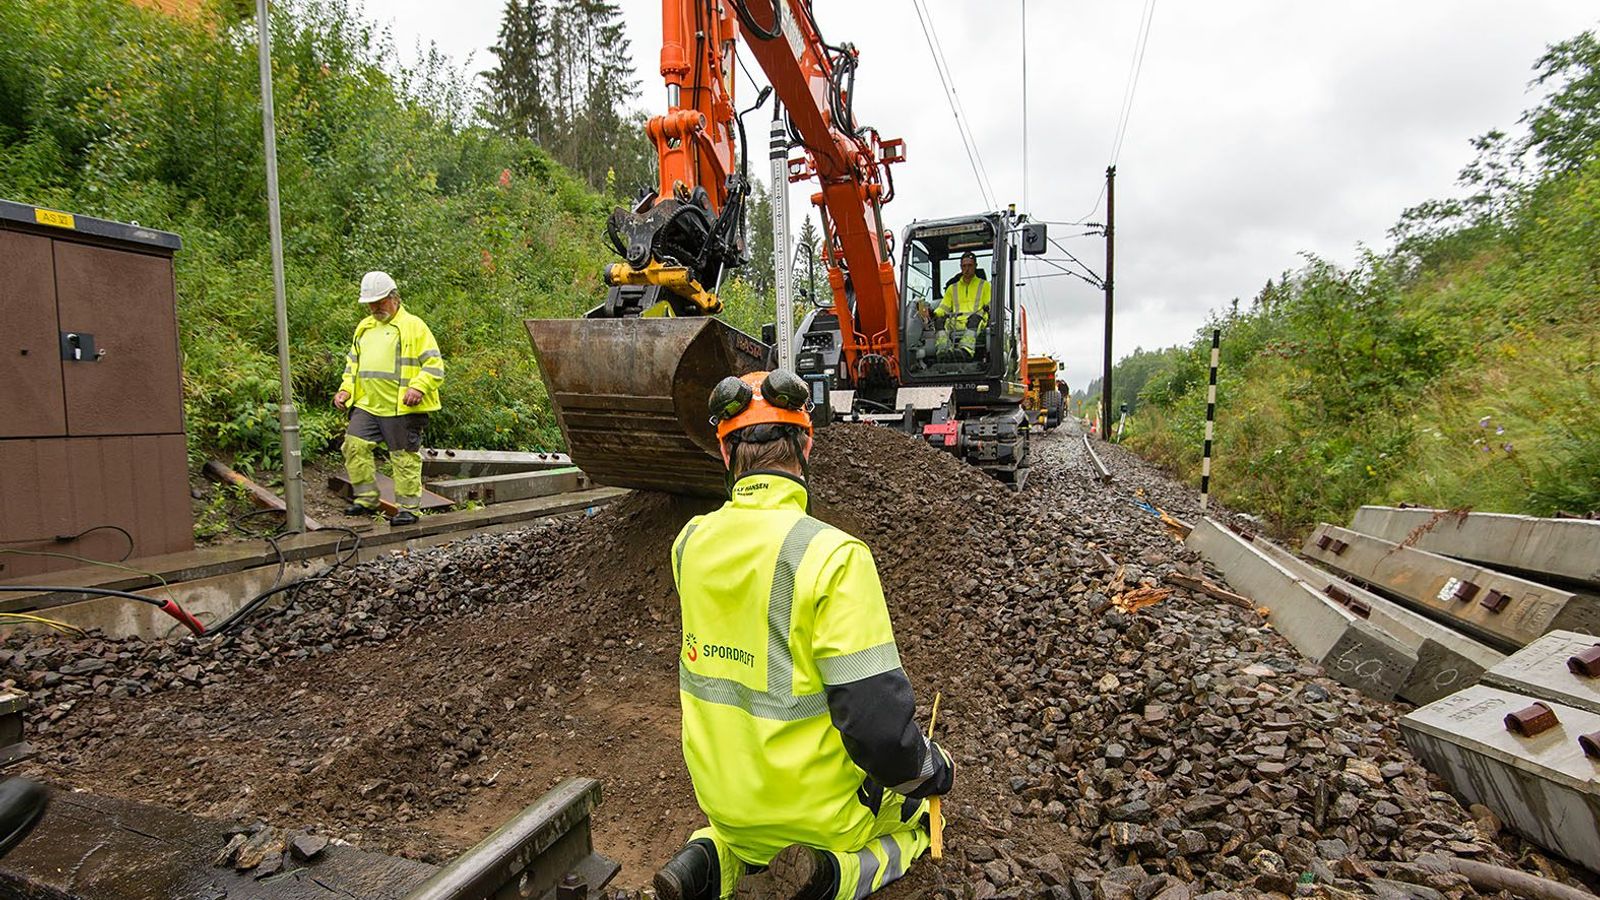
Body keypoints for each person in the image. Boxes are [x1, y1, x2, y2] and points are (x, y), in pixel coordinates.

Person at [653, 369, 953, 900]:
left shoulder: (689, 545)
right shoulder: (835, 557)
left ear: (726, 455)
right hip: (820, 816)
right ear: (806, 445)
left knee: (743, 837)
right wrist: (932, 770)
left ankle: (714, 855)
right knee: (914, 823)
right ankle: (830, 875)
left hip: (727, 806)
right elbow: (879, 731)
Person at [333, 271, 444, 526]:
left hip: (402, 408)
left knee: (403, 458)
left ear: (394, 298)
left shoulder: (414, 326)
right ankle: (366, 499)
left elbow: (434, 365)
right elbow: (353, 365)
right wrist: (345, 390)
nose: (374, 308)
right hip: (367, 404)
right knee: (353, 446)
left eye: (379, 302)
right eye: (371, 304)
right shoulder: (365, 327)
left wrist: (418, 387)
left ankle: (408, 509)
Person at [932, 251, 989, 362]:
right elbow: (943, 308)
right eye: (964, 266)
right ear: (960, 267)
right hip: (955, 322)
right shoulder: (952, 288)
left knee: (974, 320)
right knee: (939, 322)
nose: (966, 269)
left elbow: (989, 305)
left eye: (970, 266)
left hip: (977, 321)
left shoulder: (985, 286)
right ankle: (943, 352)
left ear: (975, 266)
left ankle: (966, 351)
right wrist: (933, 313)